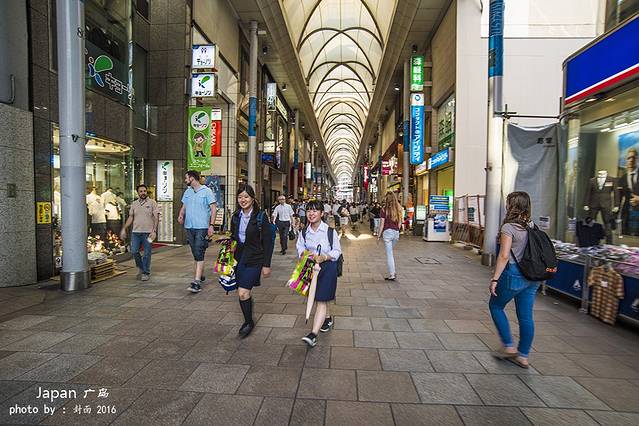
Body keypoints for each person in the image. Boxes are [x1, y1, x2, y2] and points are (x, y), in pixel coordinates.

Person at [488, 191, 540, 369]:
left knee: (495, 306)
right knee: (526, 316)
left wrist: (495, 279)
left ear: (512, 205)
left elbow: (504, 256)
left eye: (508, 202)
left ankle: (509, 346)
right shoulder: (532, 225)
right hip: (532, 277)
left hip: (514, 274)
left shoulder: (509, 227)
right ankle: (523, 356)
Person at [230, 185, 274, 338]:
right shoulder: (236, 216)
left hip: (255, 258)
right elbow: (234, 237)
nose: (243, 200)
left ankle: (248, 322)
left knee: (243, 292)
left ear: (253, 199)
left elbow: (268, 242)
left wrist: (266, 265)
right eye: (240, 197)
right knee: (242, 292)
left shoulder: (261, 217)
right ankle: (248, 318)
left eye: (246, 197)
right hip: (239, 258)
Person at [298, 200, 342, 347]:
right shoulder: (304, 232)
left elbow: (337, 251)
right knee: (320, 296)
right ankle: (327, 318)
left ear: (322, 213)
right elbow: (300, 247)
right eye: (309, 210)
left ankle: (313, 334)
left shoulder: (330, 231)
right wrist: (305, 254)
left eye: (315, 210)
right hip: (311, 267)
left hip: (328, 267)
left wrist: (324, 257)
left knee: (321, 299)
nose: (311, 213)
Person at [178, 170, 217, 293]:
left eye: (186, 178)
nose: (185, 180)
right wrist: (181, 215)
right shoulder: (188, 192)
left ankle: (197, 282)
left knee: (199, 251)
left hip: (202, 227)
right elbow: (184, 206)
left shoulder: (207, 191)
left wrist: (211, 225)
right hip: (189, 226)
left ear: (192, 178)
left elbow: (213, 208)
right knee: (195, 252)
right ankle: (201, 274)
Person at [120, 184, 159, 281]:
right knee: (134, 251)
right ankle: (141, 267)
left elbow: (156, 217)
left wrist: (154, 231)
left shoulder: (152, 202)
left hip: (148, 233)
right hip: (136, 232)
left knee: (147, 253)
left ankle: (145, 273)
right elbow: (131, 217)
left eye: (144, 191)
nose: (143, 193)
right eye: (141, 191)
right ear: (138, 193)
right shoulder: (134, 204)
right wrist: (124, 228)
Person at [378, 191, 402, 281]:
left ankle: (392, 274)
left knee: (389, 254)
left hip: (387, 233)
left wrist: (378, 236)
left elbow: (382, 224)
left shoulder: (384, 209)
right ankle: (392, 273)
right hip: (396, 233)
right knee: (390, 252)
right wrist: (397, 230)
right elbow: (400, 222)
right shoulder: (399, 208)